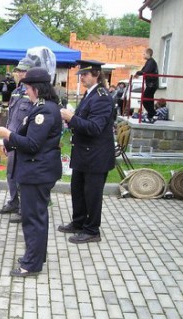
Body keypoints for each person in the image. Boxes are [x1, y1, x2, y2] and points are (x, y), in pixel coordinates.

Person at [0, 68, 62, 277]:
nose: (27, 92)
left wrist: (8, 134)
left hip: (38, 171)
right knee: (36, 217)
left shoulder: (45, 111)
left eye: (29, 88)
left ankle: (31, 264)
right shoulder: (39, 107)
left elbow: (32, 144)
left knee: (33, 219)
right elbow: (24, 134)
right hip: (36, 170)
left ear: (37, 89)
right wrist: (5, 141)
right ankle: (36, 256)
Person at [59, 60, 115, 244]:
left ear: (96, 74)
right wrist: (71, 119)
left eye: (85, 74)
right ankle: (79, 222)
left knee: (92, 195)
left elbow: (95, 128)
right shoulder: (90, 94)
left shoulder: (102, 96)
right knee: (78, 190)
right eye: (80, 75)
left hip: (96, 156)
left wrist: (71, 118)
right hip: (83, 152)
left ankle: (92, 230)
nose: (81, 78)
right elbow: (82, 121)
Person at [0, 57, 35, 223]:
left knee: (22, 175)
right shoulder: (17, 91)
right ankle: (13, 201)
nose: (19, 74)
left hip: (23, 140)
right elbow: (12, 117)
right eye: (18, 71)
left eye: (23, 71)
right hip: (11, 138)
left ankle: (23, 208)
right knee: (11, 173)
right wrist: (6, 138)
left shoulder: (33, 92)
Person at [135, 48, 159, 123]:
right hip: (151, 84)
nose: (143, 55)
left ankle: (153, 113)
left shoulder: (151, 62)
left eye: (144, 54)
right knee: (149, 100)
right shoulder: (149, 62)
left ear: (148, 54)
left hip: (152, 84)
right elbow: (143, 70)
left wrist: (138, 73)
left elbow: (145, 71)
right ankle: (150, 116)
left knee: (145, 99)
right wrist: (138, 73)